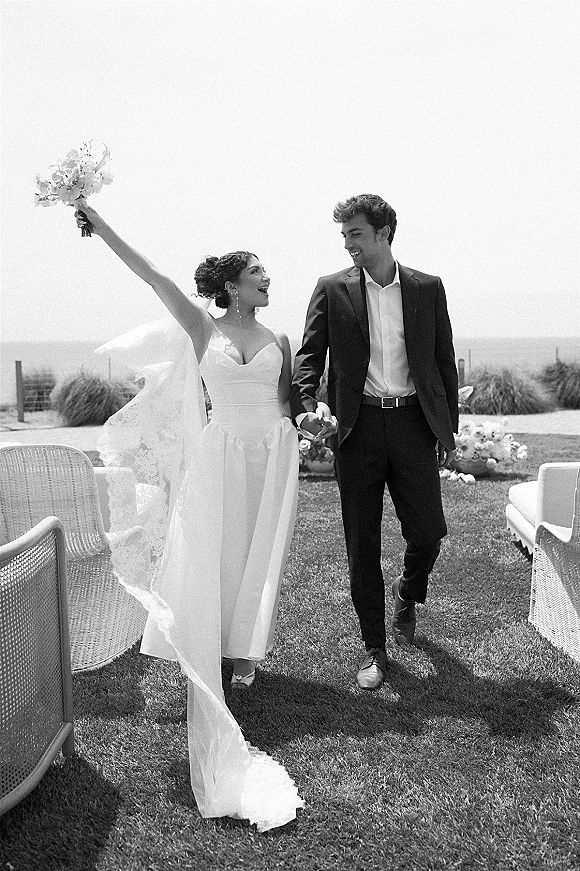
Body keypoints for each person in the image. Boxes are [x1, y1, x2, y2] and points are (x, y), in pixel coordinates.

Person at [73, 199, 303, 830]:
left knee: (260, 551)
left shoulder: (280, 338)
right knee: (213, 551)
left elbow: (286, 400)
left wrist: (308, 429)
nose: (267, 281)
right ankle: (211, 646)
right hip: (219, 452)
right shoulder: (206, 330)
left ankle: (243, 647)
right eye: (258, 273)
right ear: (232, 286)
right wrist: (99, 222)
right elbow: (153, 275)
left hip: (273, 451)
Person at [291, 193, 458, 692]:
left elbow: (442, 358)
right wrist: (306, 407)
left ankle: (409, 593)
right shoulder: (331, 289)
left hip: (412, 424)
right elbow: (308, 356)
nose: (348, 245)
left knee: (427, 531)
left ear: (384, 233)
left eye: (356, 234)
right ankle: (375, 649)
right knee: (361, 543)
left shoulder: (428, 288)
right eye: (344, 236)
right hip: (356, 430)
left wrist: (446, 426)